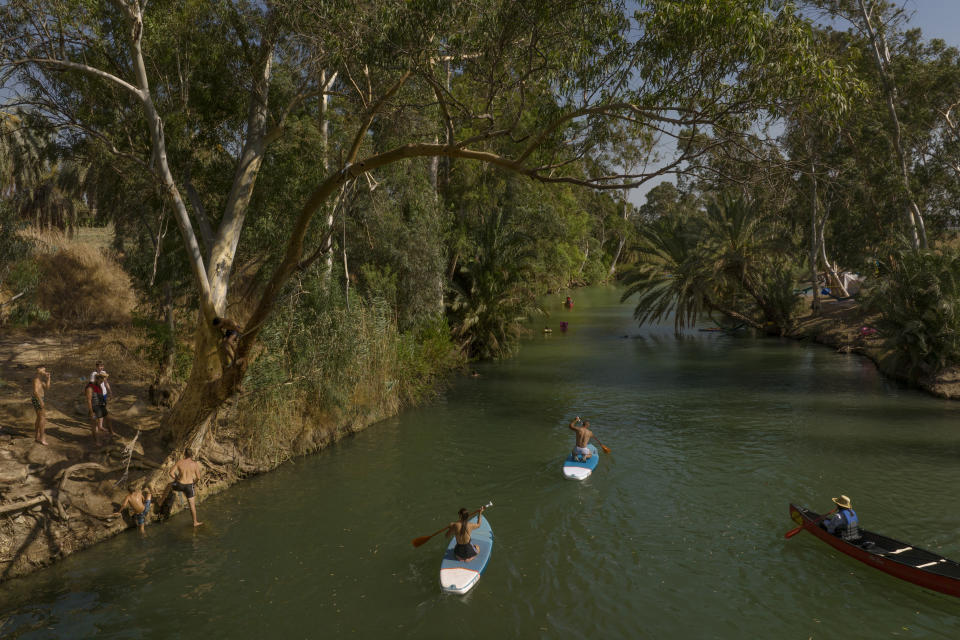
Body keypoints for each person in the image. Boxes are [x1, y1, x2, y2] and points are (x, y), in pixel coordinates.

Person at [169, 448, 203, 526]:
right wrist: (194, 483)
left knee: (170, 485)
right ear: (192, 455)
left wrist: (176, 478)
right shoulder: (194, 464)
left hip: (180, 485)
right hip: (189, 486)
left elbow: (171, 473)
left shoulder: (180, 462)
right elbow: (198, 477)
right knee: (192, 505)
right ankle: (195, 522)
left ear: (184, 454)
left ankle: (161, 500)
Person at [85, 373, 112, 445]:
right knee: (94, 425)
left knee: (108, 418)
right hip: (94, 408)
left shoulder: (99, 385)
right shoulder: (90, 387)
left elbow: (101, 396)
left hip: (100, 406)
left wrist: (104, 403)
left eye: (103, 380)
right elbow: (89, 400)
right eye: (101, 380)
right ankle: (96, 441)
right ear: (97, 379)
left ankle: (111, 433)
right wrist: (91, 412)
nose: (102, 381)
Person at [31, 365, 51, 445]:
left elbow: (47, 388)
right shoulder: (36, 379)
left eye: (45, 370)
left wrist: (49, 378)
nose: (44, 371)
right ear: (38, 369)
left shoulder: (40, 379)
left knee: (39, 418)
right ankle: (42, 438)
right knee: (43, 418)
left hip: (38, 399)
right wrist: (41, 401)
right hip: (38, 399)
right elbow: (35, 392)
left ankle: (37, 436)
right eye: (43, 370)